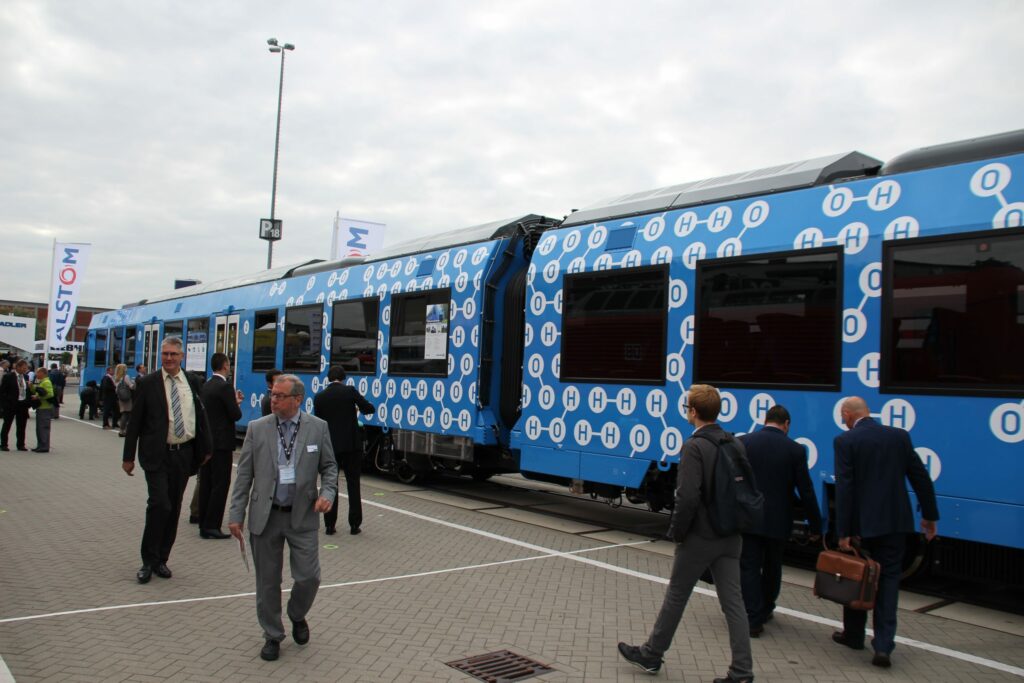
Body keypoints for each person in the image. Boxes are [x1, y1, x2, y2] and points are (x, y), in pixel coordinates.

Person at [618, 385, 754, 683]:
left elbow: (688, 496)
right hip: (731, 535)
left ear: (693, 412)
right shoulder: (734, 443)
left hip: (701, 536)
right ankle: (742, 671)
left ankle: (652, 654)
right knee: (734, 603)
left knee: (677, 595)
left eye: (686, 408)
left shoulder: (694, 446)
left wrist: (677, 532)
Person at [228, 374, 338, 662]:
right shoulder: (257, 428)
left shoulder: (318, 428)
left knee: (309, 577)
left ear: (297, 399)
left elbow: (329, 468)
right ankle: (272, 635)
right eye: (272, 394)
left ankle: (296, 614)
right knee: (267, 582)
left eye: (279, 395)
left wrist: (327, 493)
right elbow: (243, 477)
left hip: (302, 516)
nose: (272, 399)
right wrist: (235, 514)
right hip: (266, 517)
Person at [831, 396, 938, 669]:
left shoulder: (846, 441)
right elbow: (919, 476)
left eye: (843, 417)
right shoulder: (898, 437)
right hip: (895, 523)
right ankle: (883, 646)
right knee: (889, 582)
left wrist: (842, 531)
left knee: (858, 577)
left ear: (848, 414)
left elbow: (846, 488)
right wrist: (929, 516)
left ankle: (854, 636)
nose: (843, 421)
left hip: (862, 526)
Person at [122, 337, 212, 584]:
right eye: (165, 354)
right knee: (159, 504)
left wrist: (206, 448)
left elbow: (201, 417)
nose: (169, 358)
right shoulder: (148, 383)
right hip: (157, 454)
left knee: (173, 507)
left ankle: (162, 559)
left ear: (182, 356)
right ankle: (147, 561)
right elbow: (135, 423)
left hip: (184, 454)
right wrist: (128, 456)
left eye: (173, 354)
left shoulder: (192, 382)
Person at [738, 404, 822, 636]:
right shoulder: (795, 449)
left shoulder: (745, 442)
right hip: (778, 520)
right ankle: (766, 608)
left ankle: (752, 618)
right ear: (786, 425)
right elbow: (806, 490)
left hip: (750, 518)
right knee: (773, 566)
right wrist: (815, 525)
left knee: (749, 567)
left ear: (766, 420)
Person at [313, 365, 374, 535]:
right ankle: (354, 525)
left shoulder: (320, 397)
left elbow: (318, 423)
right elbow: (370, 409)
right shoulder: (350, 392)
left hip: (330, 447)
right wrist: (356, 409)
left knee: (330, 484)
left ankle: (329, 525)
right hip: (351, 446)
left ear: (328, 379)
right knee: (353, 484)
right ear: (344, 378)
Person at [197, 352, 242, 539]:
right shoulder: (225, 387)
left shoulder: (206, 386)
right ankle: (212, 525)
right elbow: (235, 415)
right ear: (224, 366)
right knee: (220, 484)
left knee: (206, 482)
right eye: (229, 364)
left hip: (207, 442)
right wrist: (237, 403)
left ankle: (203, 523)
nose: (230, 367)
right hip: (222, 443)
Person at [1, 360, 32, 452]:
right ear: (18, 367)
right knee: (7, 425)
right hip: (11, 405)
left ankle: (21, 444)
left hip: (22, 404)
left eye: (26, 368)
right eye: (23, 368)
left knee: (22, 426)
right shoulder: (8, 376)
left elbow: (28, 391)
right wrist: (4, 404)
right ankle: (3, 444)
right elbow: (2, 392)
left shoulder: (26, 377)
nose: (25, 370)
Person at [31, 366, 55, 453]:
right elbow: (38, 391)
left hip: (45, 408)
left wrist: (38, 397)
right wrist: (32, 387)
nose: (36, 374)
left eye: (38, 372)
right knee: (39, 428)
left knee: (43, 427)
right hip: (41, 407)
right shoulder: (42, 382)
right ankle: (40, 445)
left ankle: (44, 446)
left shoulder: (46, 382)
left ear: (43, 373)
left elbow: (50, 394)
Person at [114, 363, 135, 437]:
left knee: (124, 413)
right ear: (123, 369)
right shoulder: (126, 377)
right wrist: (134, 383)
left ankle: (122, 430)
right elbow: (131, 386)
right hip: (127, 398)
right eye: (126, 368)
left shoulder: (117, 377)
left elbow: (116, 389)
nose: (127, 369)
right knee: (127, 414)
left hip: (121, 398)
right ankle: (124, 430)